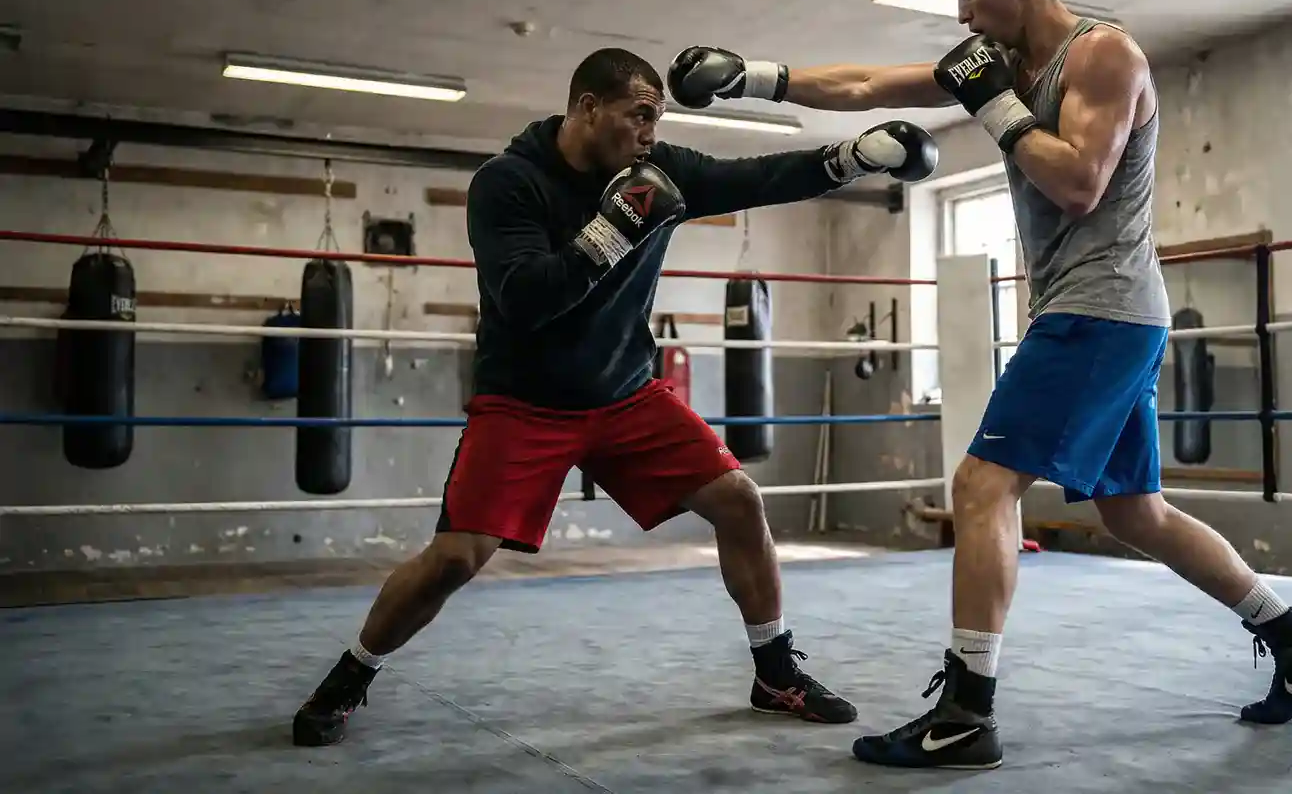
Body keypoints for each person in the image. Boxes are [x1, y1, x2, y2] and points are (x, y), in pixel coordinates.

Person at [667, 0, 1292, 771]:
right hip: (1104, 313)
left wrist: (990, 103)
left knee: (983, 485)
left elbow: (1078, 181)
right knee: (1133, 509)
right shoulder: (1011, 64)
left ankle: (966, 710)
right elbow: (870, 84)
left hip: (1098, 309)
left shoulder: (1106, 55)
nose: (960, 14)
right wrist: (756, 77)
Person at [291, 47, 940, 747]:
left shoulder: (660, 173)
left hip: (628, 396)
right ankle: (351, 674)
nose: (649, 131)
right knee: (455, 557)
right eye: (638, 114)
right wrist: (612, 232)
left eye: (656, 117)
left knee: (739, 501)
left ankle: (774, 672)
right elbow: (523, 297)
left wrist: (854, 157)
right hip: (524, 402)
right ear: (587, 107)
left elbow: (758, 176)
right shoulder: (507, 183)